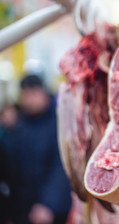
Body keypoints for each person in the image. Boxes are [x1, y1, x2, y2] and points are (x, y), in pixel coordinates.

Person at [1, 75, 72, 224]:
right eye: (25, 95)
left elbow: (61, 166)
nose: (29, 100)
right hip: (24, 208)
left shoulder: (59, 121)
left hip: (51, 211)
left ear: (43, 93)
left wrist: (48, 203)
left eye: (33, 94)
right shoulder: (20, 123)